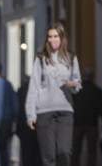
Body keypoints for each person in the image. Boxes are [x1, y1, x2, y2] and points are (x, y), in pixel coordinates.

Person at [25, 23, 82, 166]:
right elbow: (34, 87)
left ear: (62, 38)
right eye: (49, 37)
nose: (52, 40)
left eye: (55, 36)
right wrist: (30, 114)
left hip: (65, 110)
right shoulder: (41, 59)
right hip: (44, 111)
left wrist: (73, 85)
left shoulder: (71, 58)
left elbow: (78, 82)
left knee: (64, 151)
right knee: (48, 155)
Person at [71, 68, 102, 166]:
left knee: (75, 150)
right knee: (92, 151)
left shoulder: (76, 91)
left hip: (77, 123)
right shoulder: (97, 91)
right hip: (92, 124)